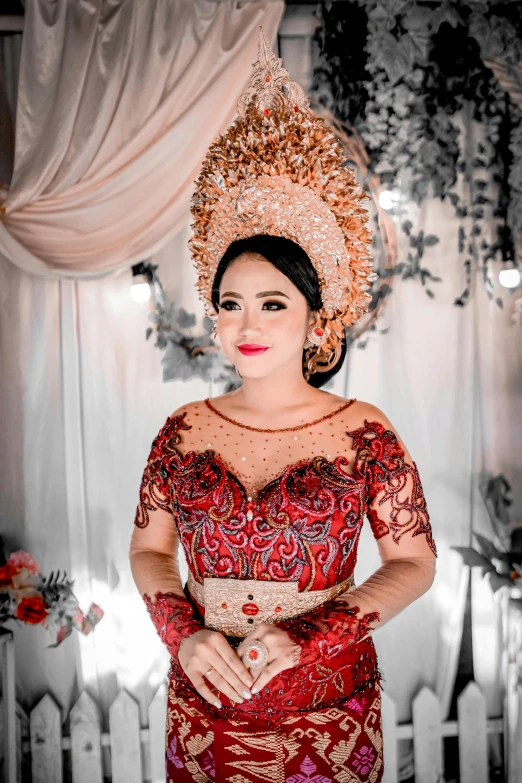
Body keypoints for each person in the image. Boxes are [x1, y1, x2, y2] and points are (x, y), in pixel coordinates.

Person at [129, 30, 437, 783]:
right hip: (205, 711)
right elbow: (147, 550)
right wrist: (182, 635)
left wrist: (315, 636)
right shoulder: (183, 431)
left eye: (272, 302)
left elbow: (415, 562)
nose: (247, 324)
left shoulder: (365, 432)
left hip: (326, 712)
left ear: (314, 315)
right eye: (231, 303)